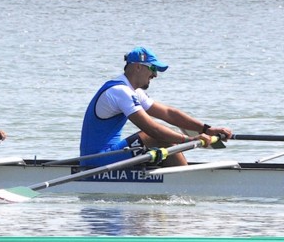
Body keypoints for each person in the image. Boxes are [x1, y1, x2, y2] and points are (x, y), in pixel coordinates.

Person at [79, 47, 233, 167]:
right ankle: (187, 185)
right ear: (138, 67)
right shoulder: (120, 92)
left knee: (165, 138)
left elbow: (168, 114)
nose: (155, 75)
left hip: (113, 155)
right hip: (97, 160)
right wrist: (189, 139)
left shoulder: (132, 91)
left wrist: (206, 129)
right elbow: (151, 129)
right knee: (156, 137)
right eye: (153, 69)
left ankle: (179, 180)